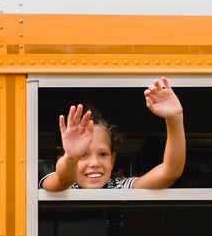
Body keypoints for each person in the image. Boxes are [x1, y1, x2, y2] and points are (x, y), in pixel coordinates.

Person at [40, 78, 184, 191]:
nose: (95, 163)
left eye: (103, 154)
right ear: (62, 159)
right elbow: (63, 179)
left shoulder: (121, 187)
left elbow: (170, 172)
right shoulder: (63, 184)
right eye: (83, 155)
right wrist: (71, 158)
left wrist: (174, 118)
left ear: (113, 159)